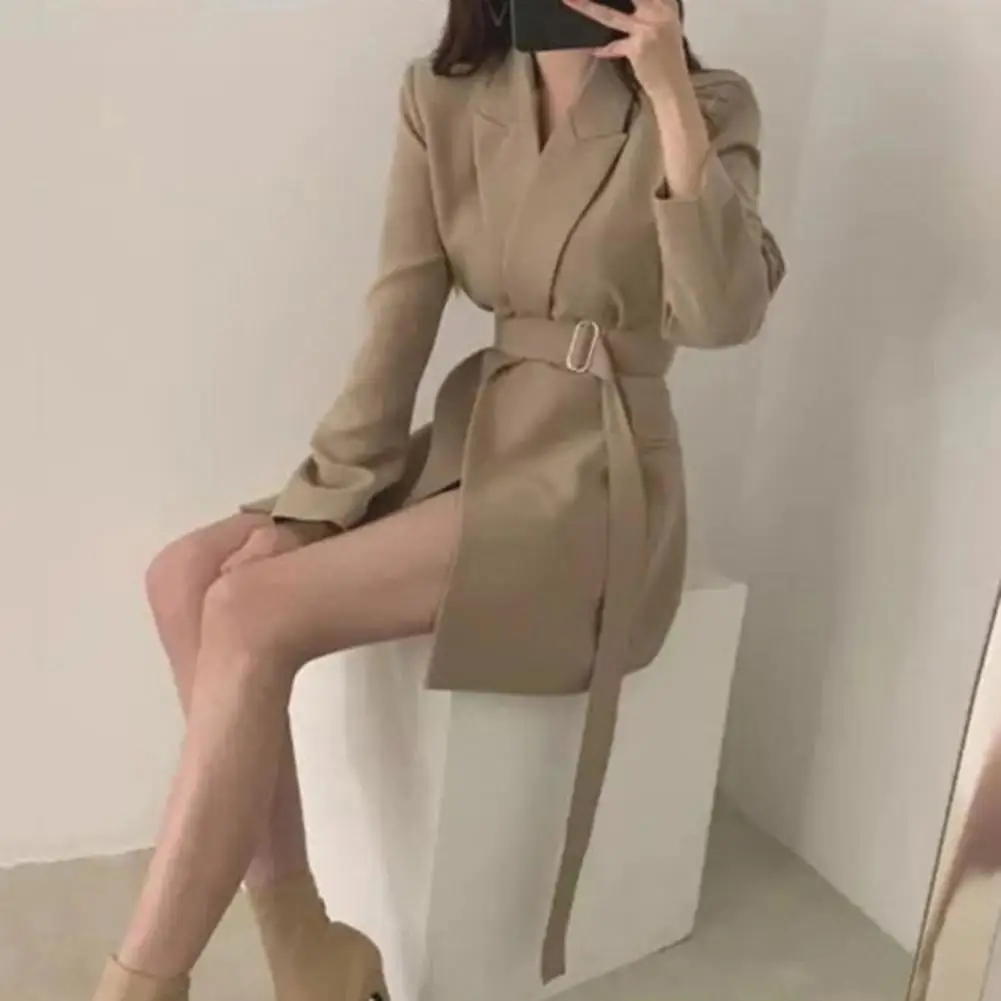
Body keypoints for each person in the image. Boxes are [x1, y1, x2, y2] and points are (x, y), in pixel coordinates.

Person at [91, 0, 785, 998]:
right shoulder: (443, 98)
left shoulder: (710, 102)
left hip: (596, 469)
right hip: (480, 433)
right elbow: (400, 315)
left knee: (246, 610)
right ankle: (308, 944)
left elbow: (721, 315)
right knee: (183, 576)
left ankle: (138, 983)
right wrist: (310, 509)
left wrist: (668, 91)